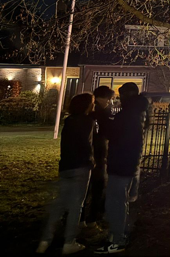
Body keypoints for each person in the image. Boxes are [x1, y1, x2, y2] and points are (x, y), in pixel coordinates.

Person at [38, 93, 95, 255]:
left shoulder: (68, 121)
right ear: (86, 106)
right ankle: (69, 242)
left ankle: (45, 240)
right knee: (76, 205)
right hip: (81, 167)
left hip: (66, 166)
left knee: (59, 204)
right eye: (91, 103)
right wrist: (92, 161)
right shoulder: (88, 122)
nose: (93, 105)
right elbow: (86, 144)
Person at [95, 82, 148, 254]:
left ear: (127, 95)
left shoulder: (129, 114)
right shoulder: (136, 112)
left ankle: (117, 240)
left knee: (115, 202)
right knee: (119, 201)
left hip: (121, 163)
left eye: (121, 95)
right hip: (126, 162)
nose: (118, 99)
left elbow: (112, 133)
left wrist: (102, 116)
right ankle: (117, 235)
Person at [83, 85, 115, 229]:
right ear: (103, 98)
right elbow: (107, 132)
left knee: (87, 189)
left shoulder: (90, 112)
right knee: (97, 188)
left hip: (91, 155)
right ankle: (91, 219)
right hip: (98, 154)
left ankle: (82, 218)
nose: (109, 102)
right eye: (108, 99)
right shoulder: (99, 113)